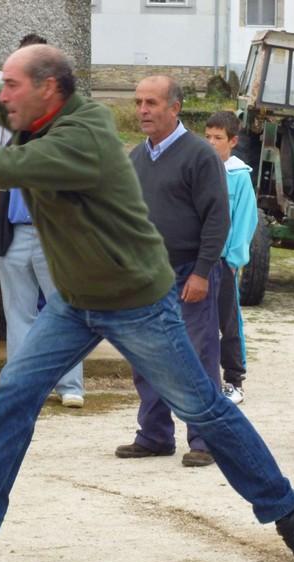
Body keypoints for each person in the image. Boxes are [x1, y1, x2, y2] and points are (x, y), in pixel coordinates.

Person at [0, 18, 294, 562]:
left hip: (135, 300)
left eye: (12, 86)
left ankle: (286, 509)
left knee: (202, 408)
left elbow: (17, 165)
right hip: (74, 300)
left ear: (48, 90)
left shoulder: (85, 134)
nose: (1, 96)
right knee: (16, 389)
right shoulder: (32, 112)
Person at [114, 76, 228, 468]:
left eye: (151, 103)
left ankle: (207, 440)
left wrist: (202, 272)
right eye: (138, 102)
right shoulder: (136, 157)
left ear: (174, 108)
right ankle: (154, 435)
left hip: (189, 273)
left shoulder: (200, 155)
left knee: (196, 357)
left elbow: (217, 218)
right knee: (146, 357)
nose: (142, 110)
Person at [0, 32, 85, 408]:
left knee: (65, 311)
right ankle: (20, 385)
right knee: (18, 314)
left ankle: (70, 385)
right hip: (15, 232)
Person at [204, 111, 258, 405]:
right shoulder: (200, 171)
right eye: (208, 137)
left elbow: (245, 221)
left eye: (218, 138)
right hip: (200, 260)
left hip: (224, 262)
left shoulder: (239, 177)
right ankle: (205, 377)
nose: (212, 143)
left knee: (228, 321)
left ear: (233, 141)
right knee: (201, 321)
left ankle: (235, 380)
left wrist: (234, 261)